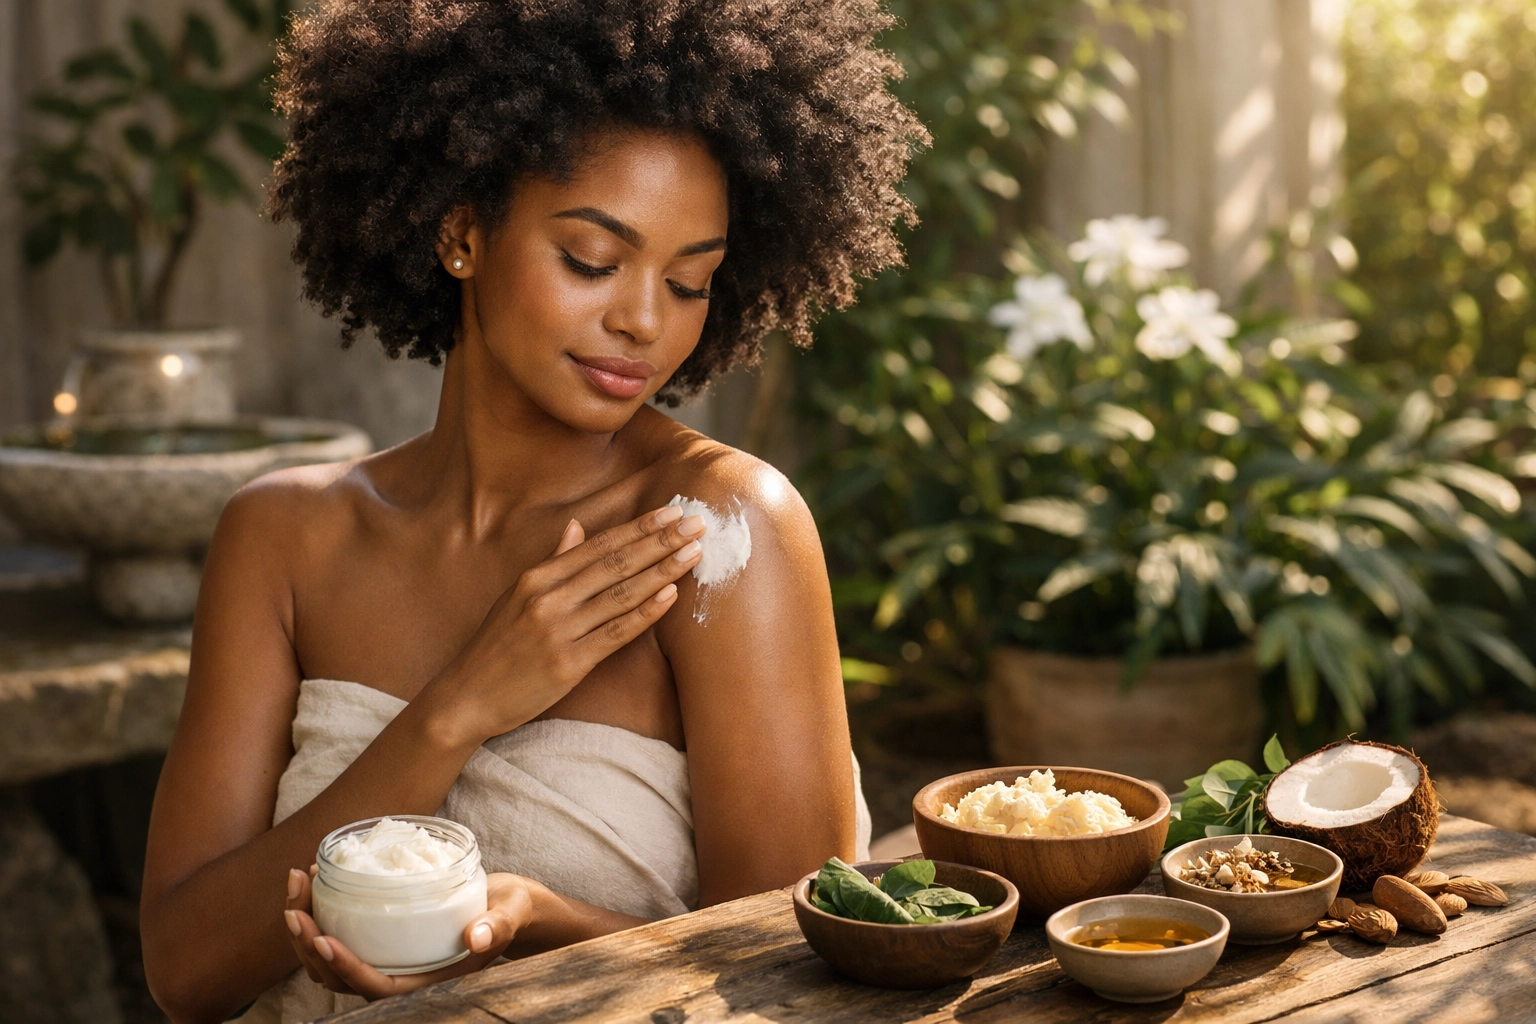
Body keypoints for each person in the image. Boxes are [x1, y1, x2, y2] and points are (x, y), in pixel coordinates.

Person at [138, 1, 924, 1021]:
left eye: (691, 280)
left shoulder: (719, 533)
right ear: (462, 231)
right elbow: (185, 972)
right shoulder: (285, 536)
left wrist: (535, 921)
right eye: (593, 261)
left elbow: (797, 973)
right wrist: (460, 707)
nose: (643, 320)